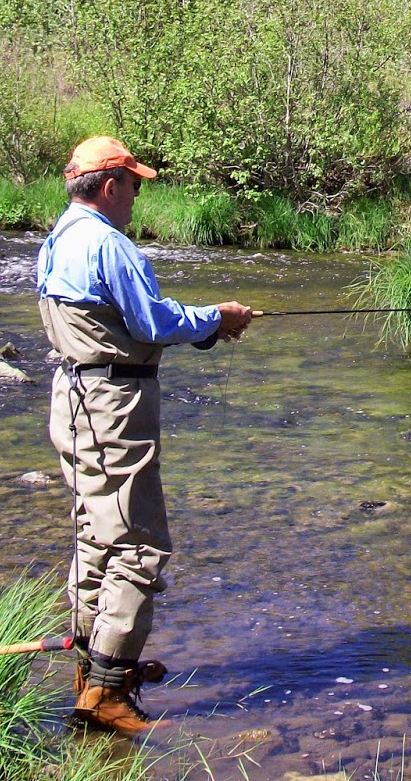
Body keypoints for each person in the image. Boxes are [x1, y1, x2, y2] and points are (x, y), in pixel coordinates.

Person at [36, 135, 254, 736]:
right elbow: (151, 322)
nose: (136, 196)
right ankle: (108, 692)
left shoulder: (56, 239)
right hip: (114, 404)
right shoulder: (111, 245)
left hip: (73, 399)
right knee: (138, 545)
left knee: (94, 538)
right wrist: (219, 318)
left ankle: (92, 672)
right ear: (109, 187)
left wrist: (208, 327)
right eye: (133, 185)